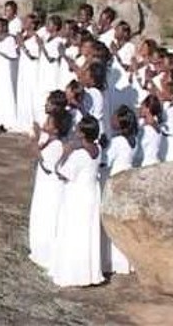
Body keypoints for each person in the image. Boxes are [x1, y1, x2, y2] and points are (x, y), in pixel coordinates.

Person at [49, 115, 104, 287]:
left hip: (77, 195)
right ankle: (88, 273)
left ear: (82, 134)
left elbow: (61, 172)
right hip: (92, 193)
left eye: (78, 128)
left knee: (73, 232)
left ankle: (74, 273)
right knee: (87, 233)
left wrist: (66, 152)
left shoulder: (79, 155)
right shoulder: (98, 149)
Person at [29, 109, 72, 269]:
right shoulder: (51, 141)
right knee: (40, 215)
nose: (45, 123)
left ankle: (46, 253)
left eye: (49, 122)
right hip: (43, 186)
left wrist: (34, 140)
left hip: (50, 189)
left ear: (56, 129)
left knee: (47, 218)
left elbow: (45, 164)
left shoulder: (57, 146)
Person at [102, 105, 138, 275]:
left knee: (113, 222)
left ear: (120, 122)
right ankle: (126, 261)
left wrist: (102, 147)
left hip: (116, 179)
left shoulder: (117, 142)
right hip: (127, 180)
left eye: (114, 117)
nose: (111, 119)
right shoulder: (133, 140)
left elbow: (106, 161)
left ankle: (114, 261)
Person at [36, 15, 63, 124]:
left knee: (49, 95)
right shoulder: (46, 37)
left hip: (51, 72)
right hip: (43, 70)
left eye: (49, 24)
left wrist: (42, 46)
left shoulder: (59, 40)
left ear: (55, 26)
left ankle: (49, 122)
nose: (47, 26)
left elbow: (51, 58)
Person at [15, 14, 40, 135]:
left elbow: (34, 56)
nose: (24, 23)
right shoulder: (23, 35)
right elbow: (17, 51)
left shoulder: (36, 37)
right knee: (22, 93)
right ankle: (22, 122)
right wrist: (19, 42)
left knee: (31, 94)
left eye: (27, 22)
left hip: (32, 69)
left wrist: (22, 45)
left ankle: (32, 123)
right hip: (23, 68)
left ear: (33, 25)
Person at [136, 94, 162, 167]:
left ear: (148, 109)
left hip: (147, 164)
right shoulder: (152, 124)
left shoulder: (148, 128)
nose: (140, 109)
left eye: (142, 107)